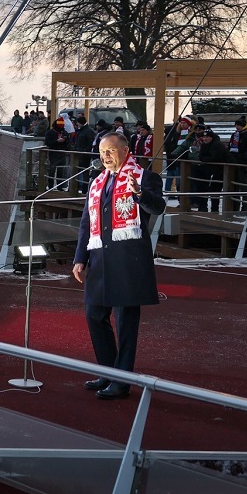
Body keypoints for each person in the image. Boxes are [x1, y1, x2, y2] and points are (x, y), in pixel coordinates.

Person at [72, 132, 167, 400]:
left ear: (126, 151)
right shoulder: (97, 182)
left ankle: (122, 380)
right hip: (100, 259)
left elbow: (159, 207)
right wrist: (80, 258)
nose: (106, 156)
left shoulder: (144, 177)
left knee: (126, 321)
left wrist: (139, 193)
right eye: (102, 152)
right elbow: (85, 223)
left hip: (128, 260)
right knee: (94, 315)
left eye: (111, 151)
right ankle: (109, 372)